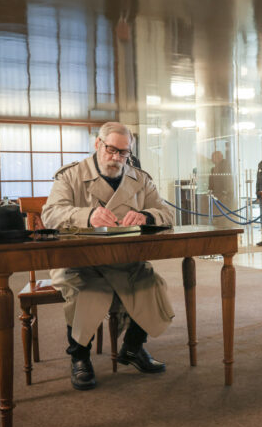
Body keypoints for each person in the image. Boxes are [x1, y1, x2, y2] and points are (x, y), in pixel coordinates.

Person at [42, 122, 175, 391]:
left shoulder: (141, 179)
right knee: (88, 291)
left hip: (124, 259)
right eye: (111, 149)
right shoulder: (71, 176)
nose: (116, 158)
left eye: (123, 153)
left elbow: (167, 214)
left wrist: (147, 215)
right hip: (78, 261)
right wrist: (87, 215)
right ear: (97, 145)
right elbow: (51, 214)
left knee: (152, 282)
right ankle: (79, 358)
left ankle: (133, 348)